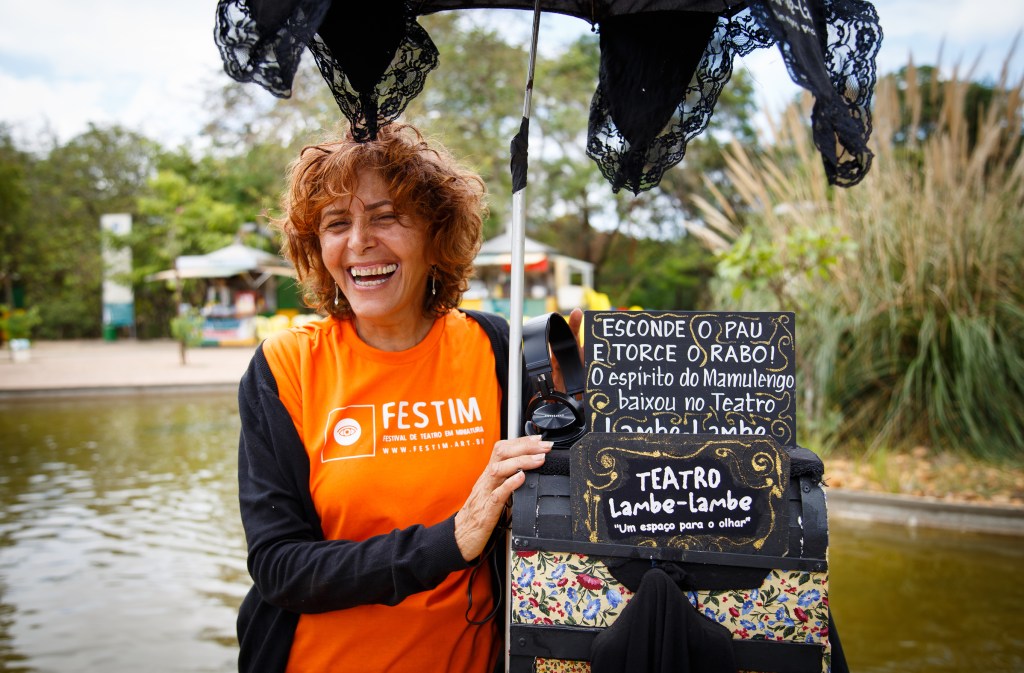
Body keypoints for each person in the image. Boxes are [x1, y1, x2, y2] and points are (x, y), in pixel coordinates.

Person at [234, 122, 579, 673]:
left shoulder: (498, 348)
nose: (359, 241)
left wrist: (573, 415)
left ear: (435, 234)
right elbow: (280, 567)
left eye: (385, 216)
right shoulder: (286, 366)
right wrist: (450, 541)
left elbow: (558, 508)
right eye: (336, 223)